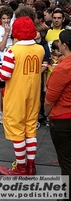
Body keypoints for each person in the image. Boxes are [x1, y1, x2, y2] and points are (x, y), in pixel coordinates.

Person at [0, 16, 44, 176]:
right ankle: (30, 165)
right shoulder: (40, 49)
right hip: (33, 96)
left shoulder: (12, 51)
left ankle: (21, 167)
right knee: (30, 130)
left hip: (16, 97)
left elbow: (3, 76)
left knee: (17, 131)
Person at [45, 29, 71, 190]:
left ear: (64, 46)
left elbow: (50, 99)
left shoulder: (62, 69)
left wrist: (47, 113)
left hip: (63, 120)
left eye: (60, 43)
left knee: (67, 162)